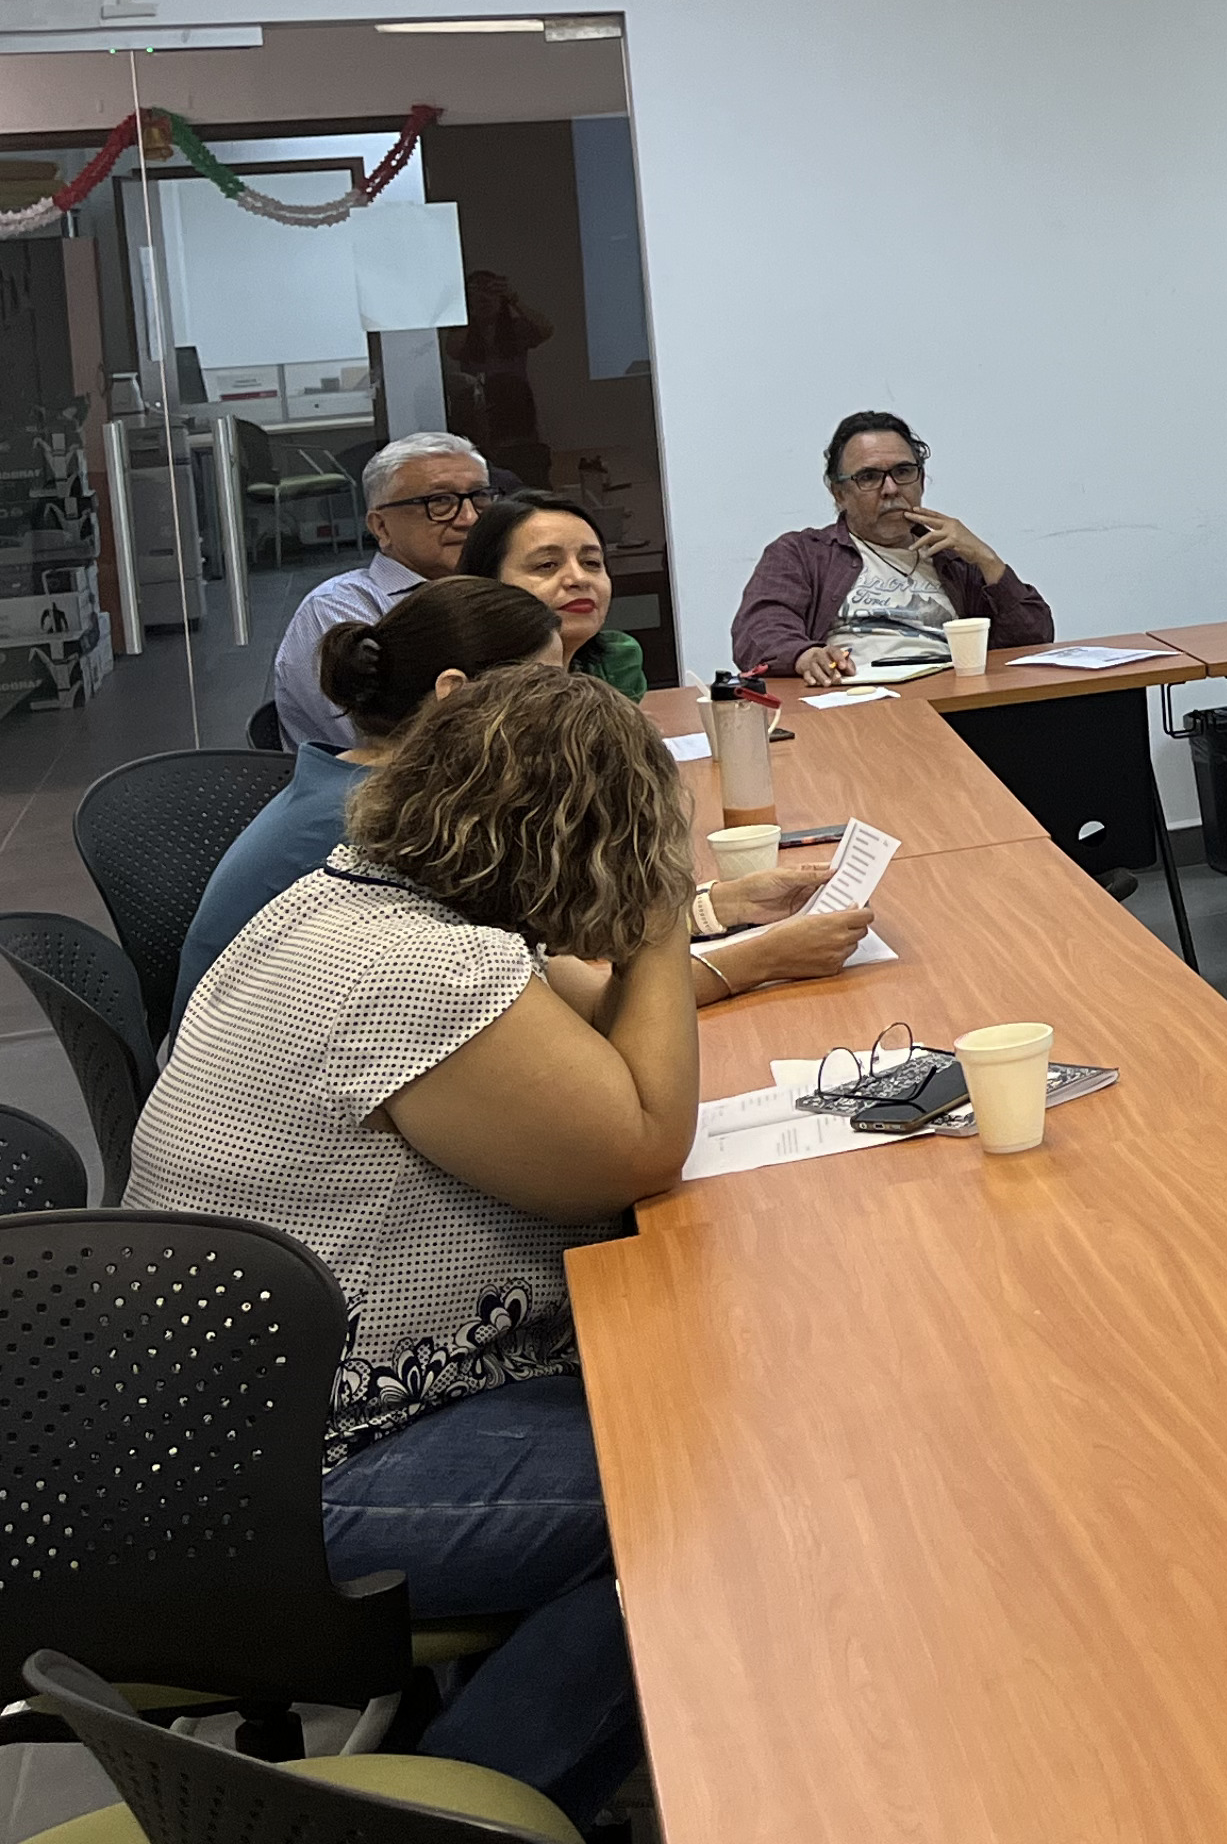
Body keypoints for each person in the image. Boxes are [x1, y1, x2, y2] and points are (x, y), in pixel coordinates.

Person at [126, 667, 711, 1823]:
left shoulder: (341, 903)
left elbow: (571, 1029)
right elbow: (640, 1144)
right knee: (689, 1498)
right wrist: (658, 923)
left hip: (192, 1437)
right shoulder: (426, 973)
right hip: (278, 1486)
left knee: (667, 1423)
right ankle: (447, 1820)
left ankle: (475, 1760)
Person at [184, 578, 864, 1026]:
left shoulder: (369, 788)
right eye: (544, 685)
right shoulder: (380, 830)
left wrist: (716, 907)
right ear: (456, 695)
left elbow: (549, 948)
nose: (564, 706)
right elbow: (576, 1003)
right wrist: (763, 958)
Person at [736, 411, 1053, 687]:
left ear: (921, 480)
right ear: (839, 493)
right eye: (869, 477)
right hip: (852, 701)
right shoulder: (802, 554)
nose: (890, 489)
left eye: (903, 472)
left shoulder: (953, 558)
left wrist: (987, 559)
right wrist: (805, 656)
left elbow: (1033, 640)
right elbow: (759, 629)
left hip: (949, 698)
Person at [268, 431, 488, 752]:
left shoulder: (499, 585)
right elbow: (392, 748)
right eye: (440, 502)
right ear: (381, 527)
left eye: (480, 497)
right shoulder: (340, 610)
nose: (469, 518)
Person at [463, 493, 646, 698]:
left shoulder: (616, 662)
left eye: (591, 563)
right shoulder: (464, 683)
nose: (579, 578)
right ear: (488, 582)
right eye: (547, 564)